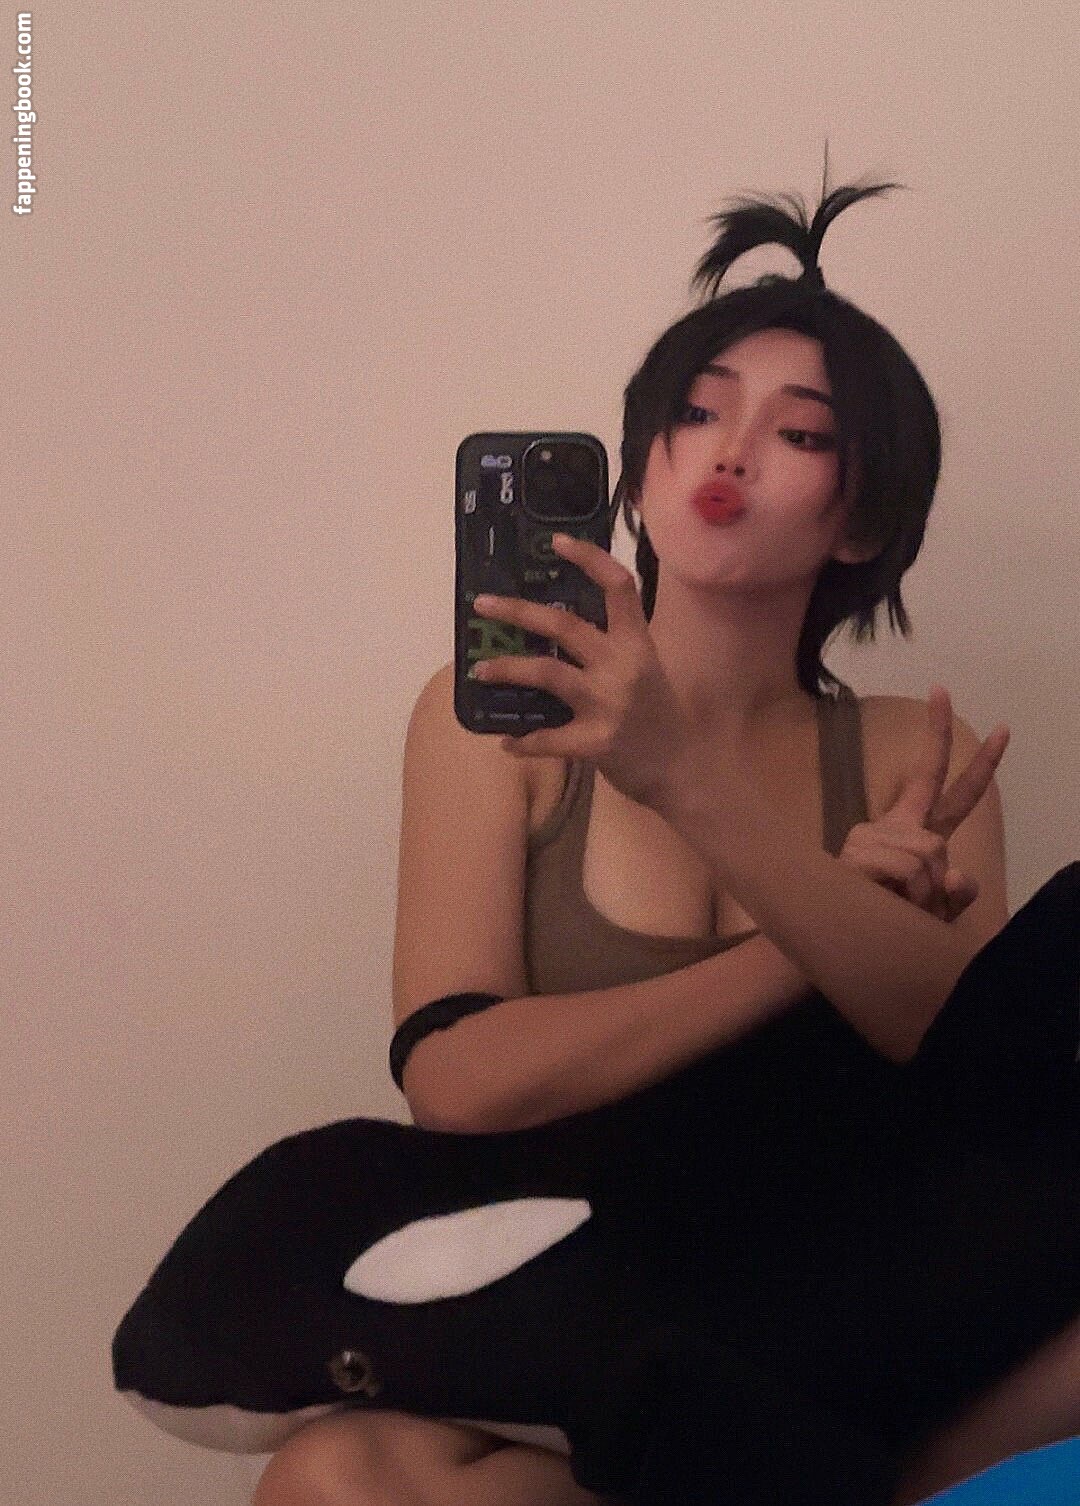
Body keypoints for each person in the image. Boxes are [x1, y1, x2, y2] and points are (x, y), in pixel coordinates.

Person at [253, 166, 1080, 1506]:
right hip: (593, 1344)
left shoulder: (908, 755)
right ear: (637, 469)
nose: (728, 452)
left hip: (847, 1328)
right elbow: (456, 1081)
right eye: (694, 413)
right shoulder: (492, 723)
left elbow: (984, 1085)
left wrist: (691, 782)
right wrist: (804, 941)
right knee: (330, 1475)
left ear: (865, 518)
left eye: (799, 433)